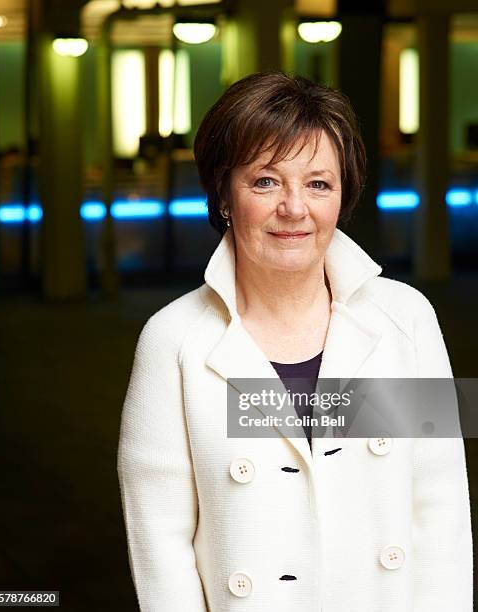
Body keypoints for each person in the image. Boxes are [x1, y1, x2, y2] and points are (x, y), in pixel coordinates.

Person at [117, 72, 473, 612]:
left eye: (318, 183)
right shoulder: (174, 340)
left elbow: (440, 508)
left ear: (342, 195)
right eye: (265, 181)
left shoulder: (405, 320)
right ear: (224, 194)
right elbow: (160, 543)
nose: (294, 208)